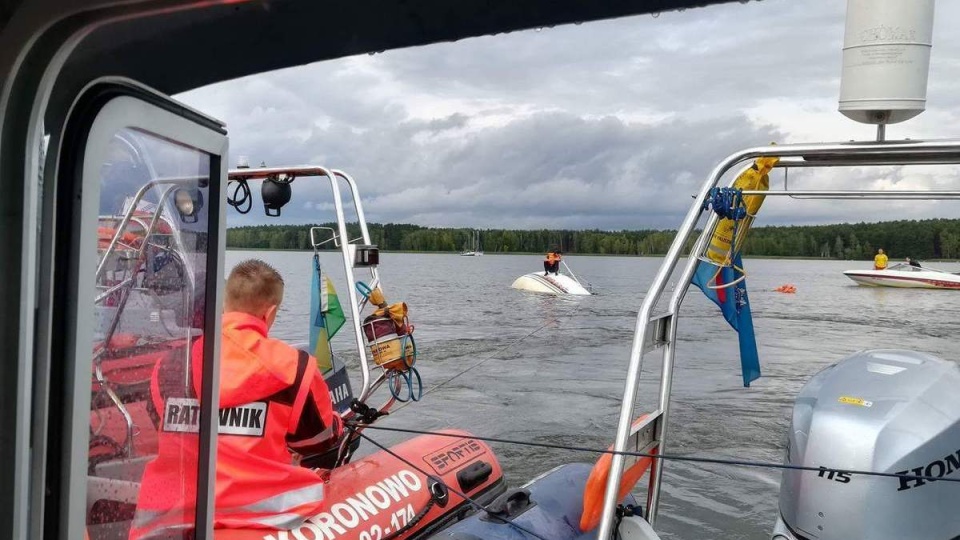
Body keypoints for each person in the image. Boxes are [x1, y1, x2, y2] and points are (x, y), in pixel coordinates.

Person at [131, 259, 344, 538]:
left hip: (169, 519)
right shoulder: (295, 367)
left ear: (224, 304)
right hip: (265, 519)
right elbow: (318, 442)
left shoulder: (168, 366)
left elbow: (165, 425)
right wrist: (338, 424)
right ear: (270, 313)